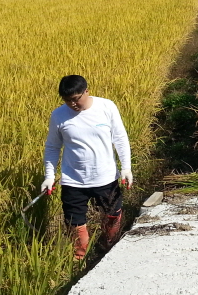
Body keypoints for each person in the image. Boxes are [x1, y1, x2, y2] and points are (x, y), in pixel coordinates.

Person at [40, 75, 133, 260]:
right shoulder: (58, 115)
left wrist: (126, 168)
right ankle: (79, 260)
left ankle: (107, 252)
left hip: (105, 177)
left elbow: (120, 139)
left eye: (76, 99)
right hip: (73, 180)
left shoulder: (106, 107)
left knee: (112, 218)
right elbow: (52, 147)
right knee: (75, 224)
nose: (73, 104)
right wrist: (49, 176)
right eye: (67, 101)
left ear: (86, 91)